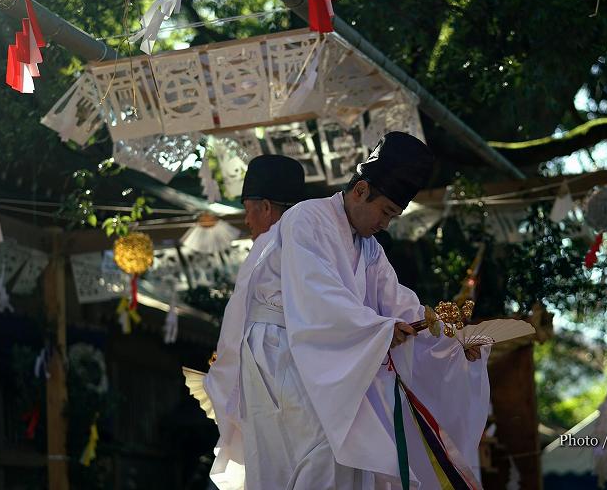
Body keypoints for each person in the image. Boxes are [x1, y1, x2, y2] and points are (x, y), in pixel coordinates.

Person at [210, 131, 491, 489]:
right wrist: (378, 329)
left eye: (394, 215)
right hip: (281, 358)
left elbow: (398, 303)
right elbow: (317, 296)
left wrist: (452, 339)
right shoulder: (306, 218)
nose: (385, 223)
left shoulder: (369, 246)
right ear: (360, 190)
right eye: (385, 211)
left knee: (346, 458)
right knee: (318, 454)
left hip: (328, 357)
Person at [193, 154, 305, 489]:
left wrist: (220, 377)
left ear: (266, 208)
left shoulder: (265, 248)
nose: (246, 220)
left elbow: (235, 331)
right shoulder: (320, 245)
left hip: (268, 374)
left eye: (248, 208)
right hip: (313, 379)